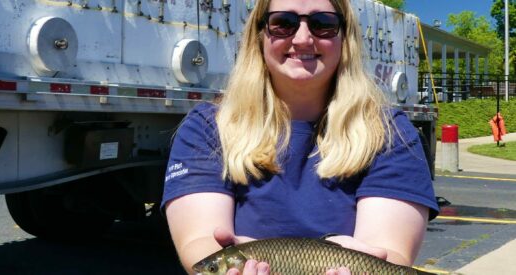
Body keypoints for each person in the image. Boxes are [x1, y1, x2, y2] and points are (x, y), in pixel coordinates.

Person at [161, 0, 439, 274]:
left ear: (346, 38)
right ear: (259, 35)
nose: (303, 38)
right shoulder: (208, 128)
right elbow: (199, 243)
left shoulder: (390, 133)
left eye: (323, 24)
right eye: (283, 23)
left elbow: (389, 253)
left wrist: (361, 262)